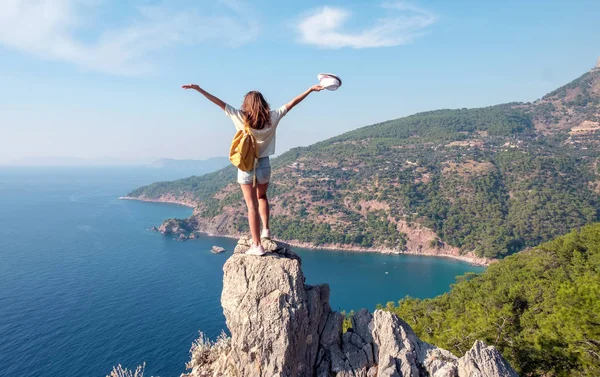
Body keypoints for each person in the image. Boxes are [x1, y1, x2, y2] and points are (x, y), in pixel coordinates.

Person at [182, 83, 324, 255]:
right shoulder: (273, 117)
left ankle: (256, 245)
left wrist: (199, 89)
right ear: (263, 103)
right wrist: (310, 89)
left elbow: (218, 102)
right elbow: (293, 102)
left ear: (246, 104)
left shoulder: (240, 117)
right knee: (262, 196)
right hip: (264, 165)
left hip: (246, 165)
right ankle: (266, 230)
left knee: (251, 206)